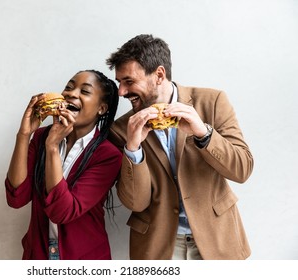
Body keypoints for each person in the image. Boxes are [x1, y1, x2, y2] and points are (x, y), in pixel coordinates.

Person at [106, 34, 254, 260]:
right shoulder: (121, 130)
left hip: (218, 239)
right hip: (158, 246)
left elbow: (242, 170)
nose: (122, 92)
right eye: (119, 83)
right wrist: (133, 148)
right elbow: (136, 202)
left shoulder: (212, 102)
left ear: (159, 75)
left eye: (129, 81)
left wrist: (203, 134)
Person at [5, 70, 122, 260]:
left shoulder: (108, 155)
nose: (71, 93)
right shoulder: (41, 136)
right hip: (38, 256)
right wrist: (24, 135)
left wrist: (52, 147)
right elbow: (16, 198)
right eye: (68, 87)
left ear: (102, 108)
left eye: (84, 91)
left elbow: (63, 212)